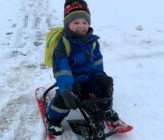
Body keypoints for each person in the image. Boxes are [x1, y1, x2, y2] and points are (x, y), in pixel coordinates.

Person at [45, 0, 119, 136]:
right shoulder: (63, 45)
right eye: (76, 23)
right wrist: (67, 89)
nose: (81, 26)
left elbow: (97, 61)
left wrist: (101, 76)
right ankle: (53, 119)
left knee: (104, 85)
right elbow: (62, 70)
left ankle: (105, 109)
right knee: (64, 98)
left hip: (90, 78)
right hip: (72, 81)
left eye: (85, 22)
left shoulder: (92, 41)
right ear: (68, 24)